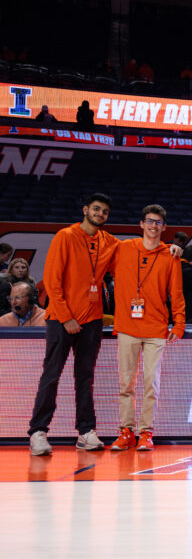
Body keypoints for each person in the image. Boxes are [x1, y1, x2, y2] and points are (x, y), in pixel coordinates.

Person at [28, 193, 118, 456]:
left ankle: (86, 432)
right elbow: (52, 279)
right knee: (51, 375)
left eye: (104, 212)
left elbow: (134, 253)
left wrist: (169, 248)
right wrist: (66, 316)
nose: (100, 215)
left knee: (86, 377)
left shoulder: (109, 242)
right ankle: (38, 432)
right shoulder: (65, 236)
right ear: (85, 210)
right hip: (61, 318)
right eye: (96, 209)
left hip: (92, 320)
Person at [109, 204, 185, 453]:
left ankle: (146, 432)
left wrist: (180, 322)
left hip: (156, 327)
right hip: (128, 326)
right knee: (126, 384)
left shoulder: (171, 255)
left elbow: (176, 292)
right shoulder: (123, 248)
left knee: (151, 382)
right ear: (141, 224)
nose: (153, 226)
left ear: (164, 227)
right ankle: (126, 431)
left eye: (158, 222)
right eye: (149, 221)